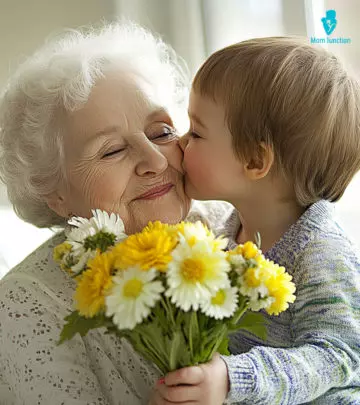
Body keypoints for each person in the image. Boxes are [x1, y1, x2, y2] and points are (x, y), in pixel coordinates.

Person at [0, 22, 232, 405]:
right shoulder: (23, 309)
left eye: (161, 132)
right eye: (111, 151)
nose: (155, 161)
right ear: (53, 192)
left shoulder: (236, 226)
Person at [151, 37, 360, 404]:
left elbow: (341, 356)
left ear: (254, 162)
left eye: (196, 132)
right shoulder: (225, 235)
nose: (181, 142)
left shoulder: (321, 253)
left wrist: (235, 379)